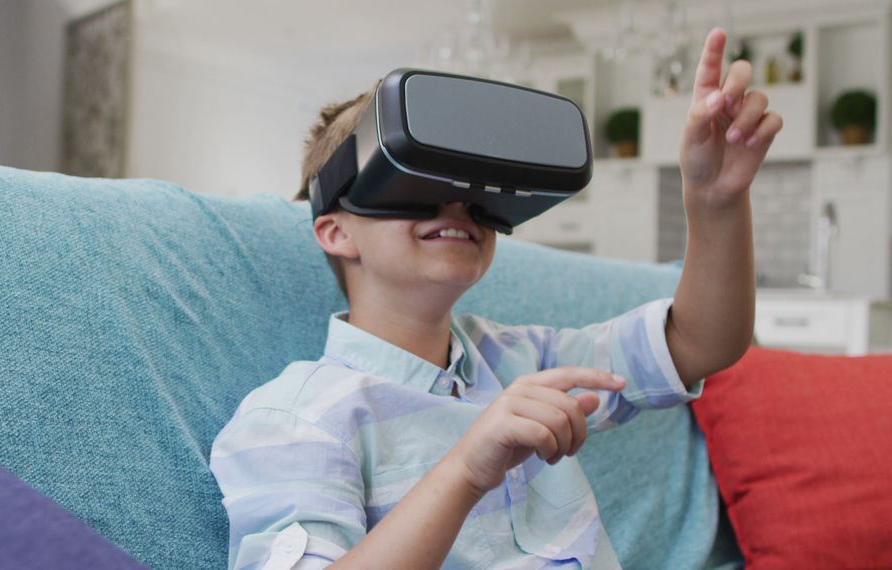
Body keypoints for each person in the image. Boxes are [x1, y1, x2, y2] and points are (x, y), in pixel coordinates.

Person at [210, 28, 781, 569]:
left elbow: (698, 342)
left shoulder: (524, 363)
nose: (457, 206)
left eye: (476, 189)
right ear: (336, 231)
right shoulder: (296, 418)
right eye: (418, 183)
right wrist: (465, 467)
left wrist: (715, 202)